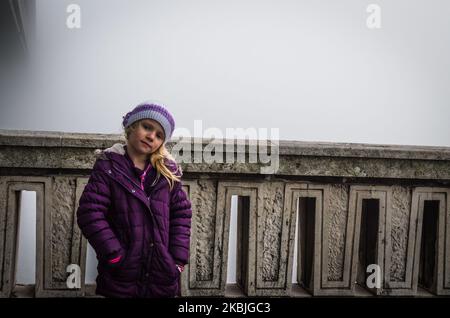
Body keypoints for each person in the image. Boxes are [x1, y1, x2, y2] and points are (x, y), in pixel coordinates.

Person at [76, 101, 192, 298]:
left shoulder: (167, 173)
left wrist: (177, 260)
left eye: (159, 135)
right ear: (131, 126)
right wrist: (114, 255)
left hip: (161, 274)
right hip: (122, 274)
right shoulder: (108, 167)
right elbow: (90, 213)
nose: (151, 136)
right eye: (147, 127)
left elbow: (181, 215)